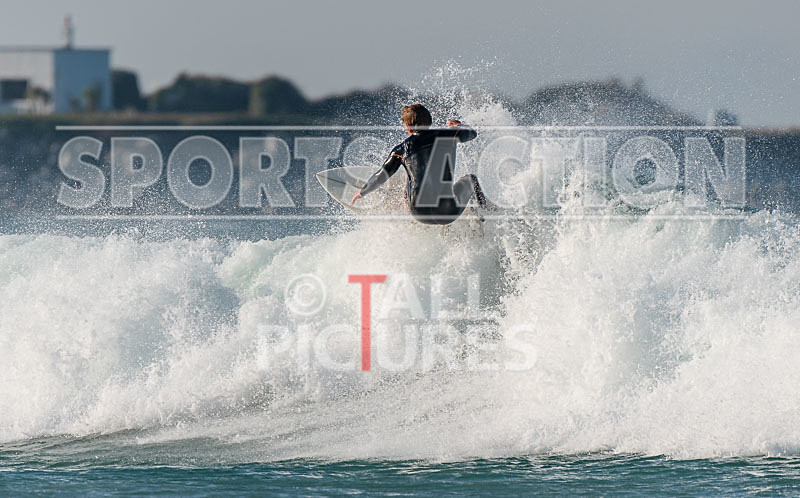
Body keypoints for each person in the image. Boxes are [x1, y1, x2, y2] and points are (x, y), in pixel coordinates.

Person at [350, 104, 487, 225]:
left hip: (418, 213)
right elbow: (472, 133)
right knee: (472, 179)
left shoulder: (401, 149)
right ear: (429, 121)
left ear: (408, 127)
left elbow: (381, 175)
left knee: (410, 174)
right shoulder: (449, 134)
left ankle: (406, 209)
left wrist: (362, 192)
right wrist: (458, 126)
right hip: (447, 211)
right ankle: (485, 213)